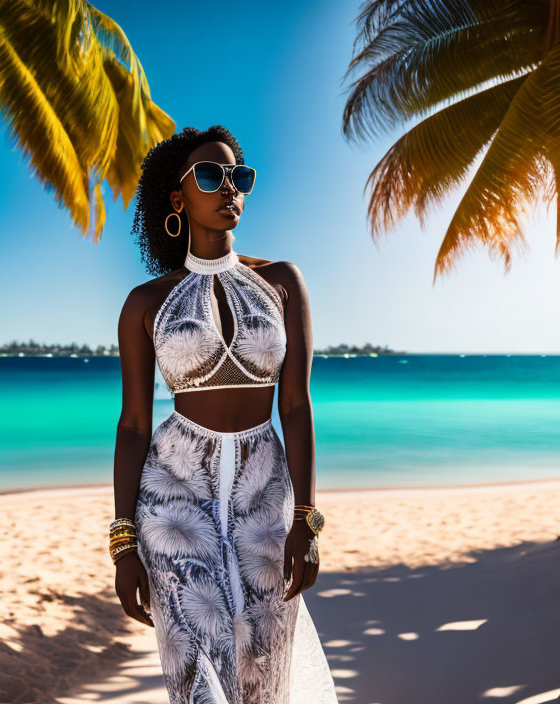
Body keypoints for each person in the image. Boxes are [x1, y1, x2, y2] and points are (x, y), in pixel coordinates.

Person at [111, 125, 339, 703]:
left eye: (240, 177)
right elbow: (134, 424)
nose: (230, 189)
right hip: (171, 502)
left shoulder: (282, 283)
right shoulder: (146, 303)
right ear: (178, 199)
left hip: (265, 497)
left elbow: (296, 404)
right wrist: (123, 545)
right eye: (212, 176)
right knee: (200, 681)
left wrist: (306, 520)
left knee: (263, 677)